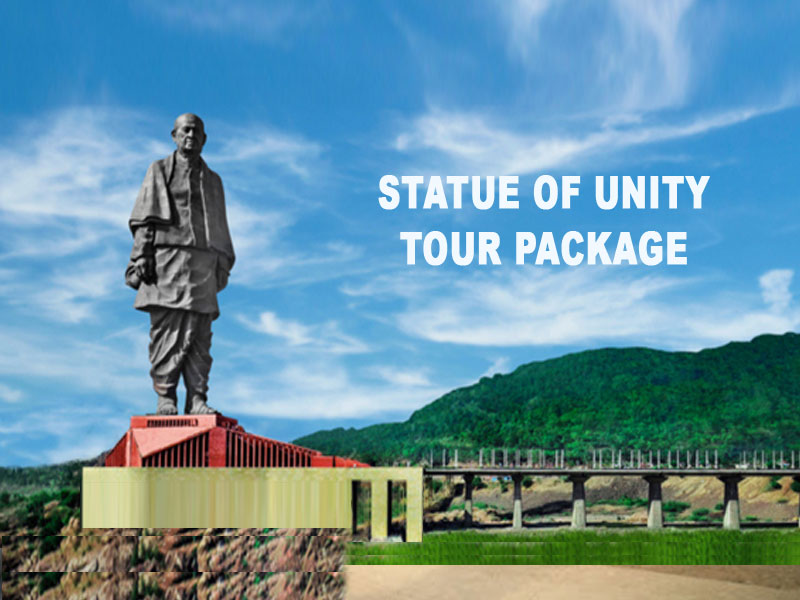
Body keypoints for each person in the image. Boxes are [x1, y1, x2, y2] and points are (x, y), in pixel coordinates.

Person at [125, 113, 235, 415]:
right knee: (166, 330)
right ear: (174, 135)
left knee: (200, 334)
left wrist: (222, 262)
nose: (191, 135)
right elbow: (146, 218)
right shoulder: (159, 170)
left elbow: (221, 226)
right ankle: (166, 395)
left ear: (205, 139)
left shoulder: (214, 181)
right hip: (168, 260)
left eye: (197, 131)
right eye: (186, 130)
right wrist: (143, 254)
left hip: (202, 262)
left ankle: (197, 397)